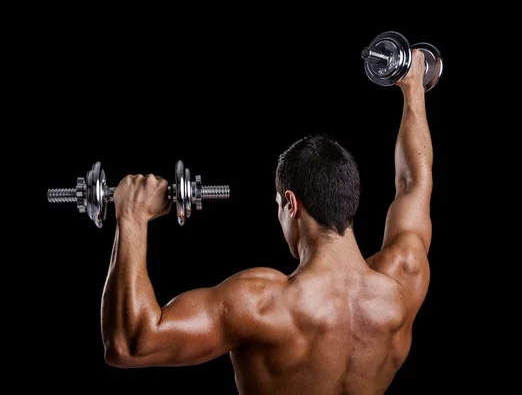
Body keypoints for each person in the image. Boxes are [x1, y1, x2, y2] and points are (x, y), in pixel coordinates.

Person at [101, 48, 433, 394]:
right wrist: (413, 88)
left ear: (291, 204)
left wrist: (133, 217)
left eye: (278, 204)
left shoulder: (262, 304)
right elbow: (415, 181)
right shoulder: (402, 281)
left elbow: (130, 344)